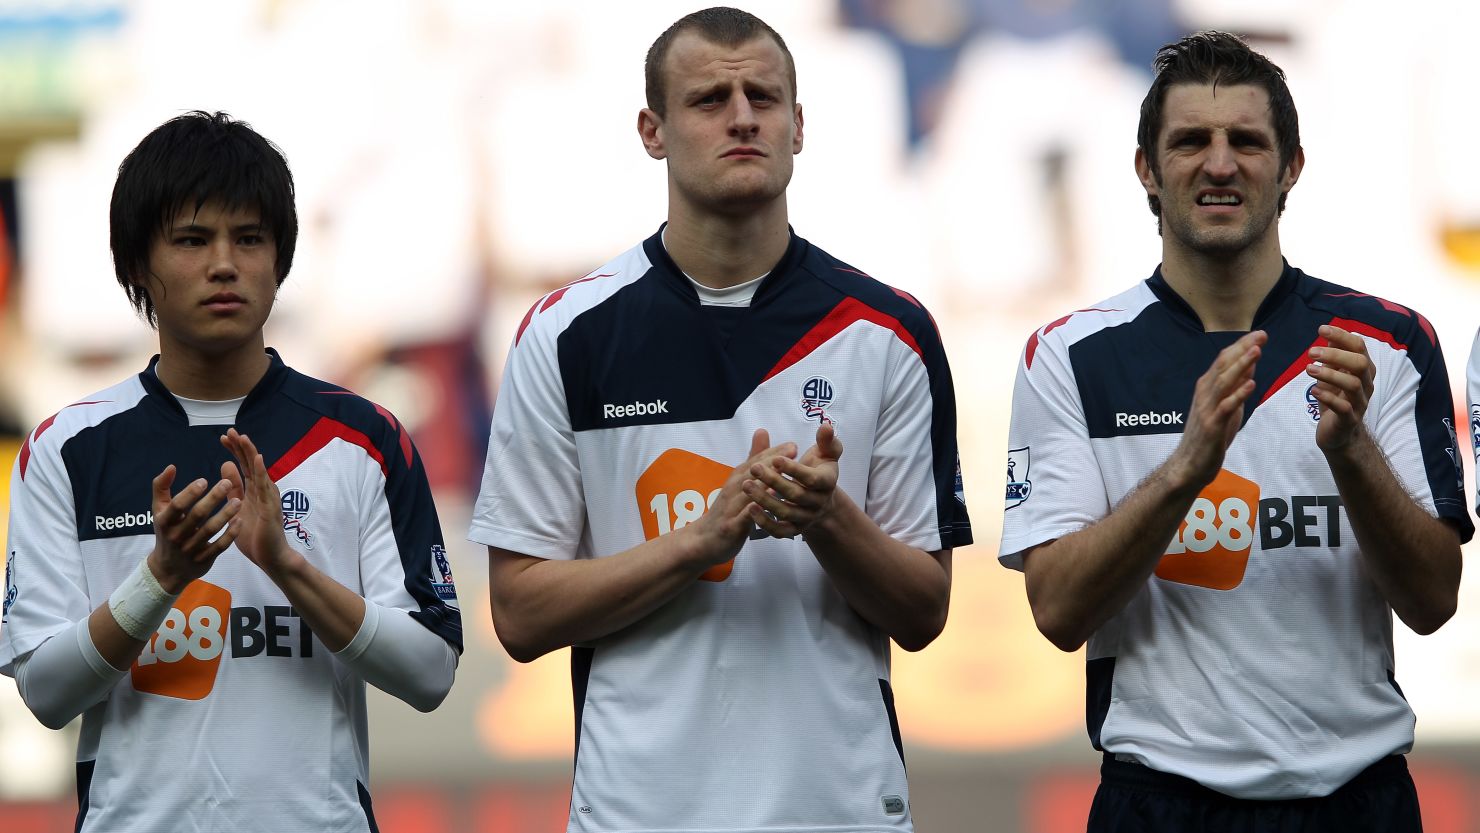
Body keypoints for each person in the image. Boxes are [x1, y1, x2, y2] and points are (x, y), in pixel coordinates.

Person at [469, 7, 971, 832]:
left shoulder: (890, 332)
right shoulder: (566, 333)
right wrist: (701, 541)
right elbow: (520, 616)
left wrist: (826, 517)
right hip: (640, 813)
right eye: (709, 99)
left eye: (764, 98)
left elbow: (925, 613)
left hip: (837, 809)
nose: (742, 116)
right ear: (652, 130)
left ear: (800, 126)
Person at [1000, 31, 1471, 832]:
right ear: (1147, 170)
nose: (1220, 165)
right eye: (1190, 141)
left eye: (1247, 141)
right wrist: (1186, 467)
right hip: (1160, 797)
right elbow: (1058, 612)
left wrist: (1353, 451)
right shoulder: (1073, 354)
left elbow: (1433, 601)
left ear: (1290, 167)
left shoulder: (1386, 343)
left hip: (1355, 797)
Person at [0, 111, 462, 833]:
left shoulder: (363, 438)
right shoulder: (68, 447)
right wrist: (162, 577)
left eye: (249, 238)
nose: (225, 264)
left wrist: (287, 565)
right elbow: (46, 692)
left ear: (280, 259)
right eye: (192, 239)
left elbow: (431, 672)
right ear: (136, 263)